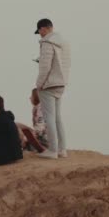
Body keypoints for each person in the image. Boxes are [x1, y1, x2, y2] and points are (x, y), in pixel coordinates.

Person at [34, 18, 71, 159]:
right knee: (57, 117)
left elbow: (45, 67)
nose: (40, 35)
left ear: (43, 28)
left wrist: (39, 84)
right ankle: (62, 149)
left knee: (49, 117)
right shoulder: (64, 42)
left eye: (39, 32)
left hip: (49, 84)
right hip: (61, 82)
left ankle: (53, 150)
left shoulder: (47, 42)